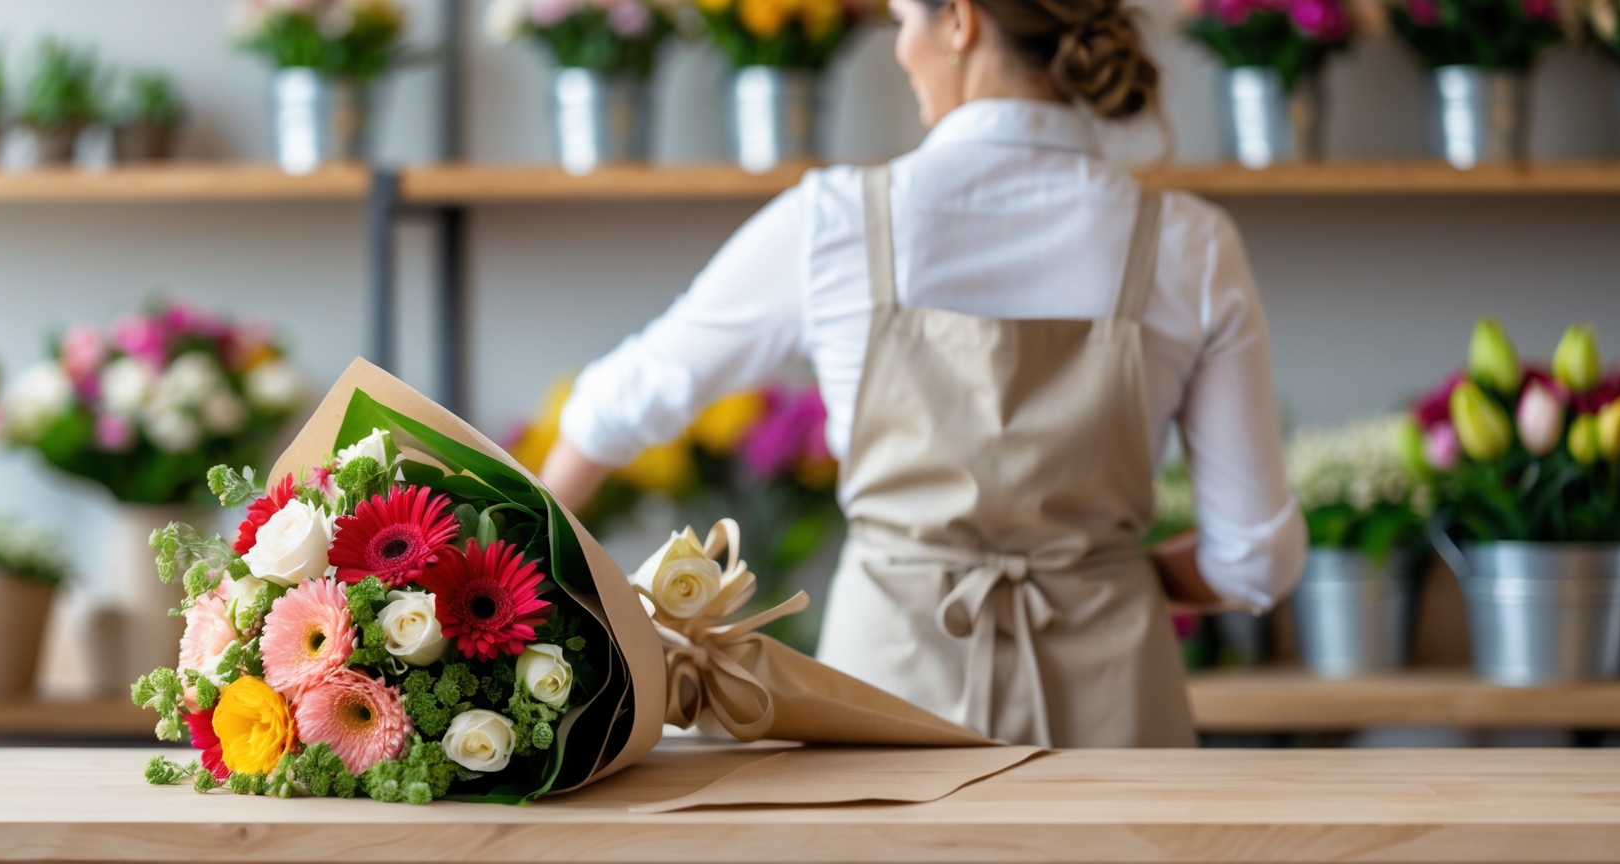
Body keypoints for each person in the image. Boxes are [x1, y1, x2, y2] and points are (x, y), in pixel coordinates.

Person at [538, 0, 1304, 747]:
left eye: (903, 22)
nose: (901, 50)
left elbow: (615, 403)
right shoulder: (1190, 244)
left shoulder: (832, 223)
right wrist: (1109, 574)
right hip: (1118, 708)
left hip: (887, 703)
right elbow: (1255, 561)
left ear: (961, 21)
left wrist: (505, 593)